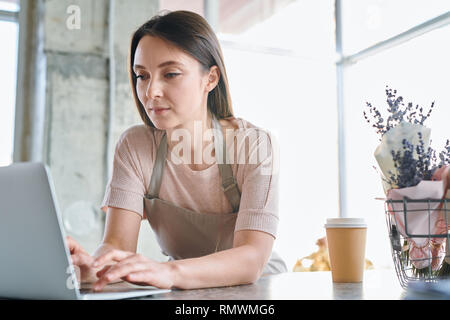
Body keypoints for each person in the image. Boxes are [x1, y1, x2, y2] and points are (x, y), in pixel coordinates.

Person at [67, 10, 287, 292]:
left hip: (259, 288)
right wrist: (93, 269)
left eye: (170, 74)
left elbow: (251, 259)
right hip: (186, 289)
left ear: (210, 79)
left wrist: (168, 272)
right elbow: (117, 246)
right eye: (142, 75)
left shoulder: (255, 145)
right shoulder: (135, 146)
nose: (150, 92)